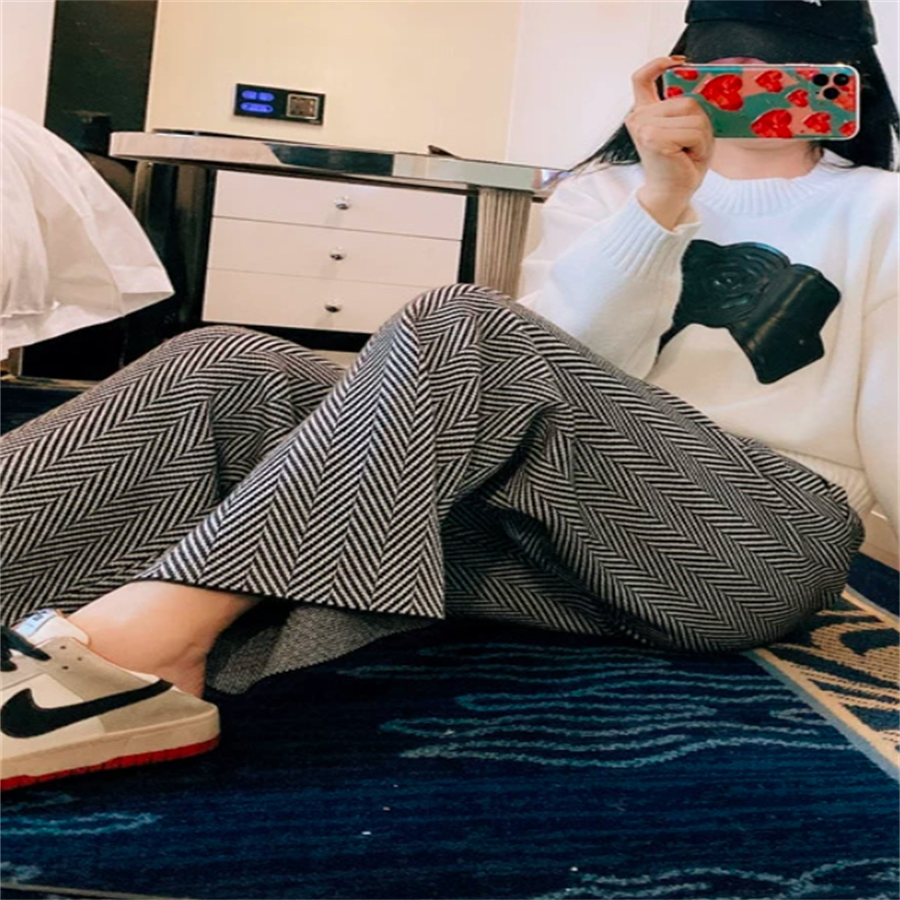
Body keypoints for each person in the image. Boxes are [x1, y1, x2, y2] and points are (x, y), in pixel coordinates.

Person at [1, 0, 896, 792]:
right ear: (677, 74)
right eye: (729, 72)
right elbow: (560, 377)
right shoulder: (607, 194)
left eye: (793, 73)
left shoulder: (883, 208)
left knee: (464, 323)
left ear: (850, 82)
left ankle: (148, 647)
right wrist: (659, 202)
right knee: (229, 364)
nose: (761, 91)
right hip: (557, 543)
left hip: (757, 541)